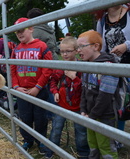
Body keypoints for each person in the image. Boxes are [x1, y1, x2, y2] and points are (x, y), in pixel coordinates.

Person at [10, 17, 53, 154]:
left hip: (38, 91)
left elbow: (48, 69)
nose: (19, 34)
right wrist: (16, 86)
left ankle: (41, 141)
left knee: (40, 118)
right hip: (22, 91)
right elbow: (12, 69)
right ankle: (27, 140)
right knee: (25, 117)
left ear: (31, 28)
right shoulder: (16, 49)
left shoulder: (42, 46)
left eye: (22, 30)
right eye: (17, 32)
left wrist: (38, 87)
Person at [45, 36, 89, 159]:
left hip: (79, 105)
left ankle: (83, 153)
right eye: (62, 51)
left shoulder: (83, 67)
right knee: (56, 128)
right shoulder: (60, 66)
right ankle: (51, 150)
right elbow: (53, 80)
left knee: (81, 131)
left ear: (76, 50)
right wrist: (55, 91)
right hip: (62, 104)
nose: (64, 54)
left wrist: (74, 78)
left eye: (68, 51)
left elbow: (85, 87)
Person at [78, 30, 119, 159]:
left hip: (104, 115)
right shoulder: (87, 66)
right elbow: (84, 89)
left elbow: (105, 96)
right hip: (90, 114)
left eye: (82, 46)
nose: (78, 50)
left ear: (96, 46)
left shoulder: (108, 66)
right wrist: (83, 109)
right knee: (93, 143)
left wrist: (93, 115)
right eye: (77, 47)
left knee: (106, 146)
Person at [96, 4, 130, 134]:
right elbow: (100, 46)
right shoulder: (102, 20)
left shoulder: (129, 14)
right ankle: (118, 138)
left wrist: (126, 46)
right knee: (118, 104)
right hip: (113, 68)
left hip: (128, 66)